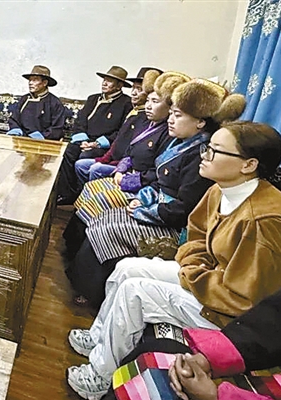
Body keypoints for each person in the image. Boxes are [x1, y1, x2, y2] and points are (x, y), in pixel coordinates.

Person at [65, 120, 281, 400]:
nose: (204, 155)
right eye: (207, 147)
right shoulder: (221, 189)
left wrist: (193, 274)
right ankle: (99, 337)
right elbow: (196, 236)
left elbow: (248, 298)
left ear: (248, 165)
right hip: (208, 279)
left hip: (231, 311)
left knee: (135, 292)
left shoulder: (268, 221)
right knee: (127, 268)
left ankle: (100, 376)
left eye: (214, 151)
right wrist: (194, 268)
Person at [96, 273, 281, 400]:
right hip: (205, 279)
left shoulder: (268, 225)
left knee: (133, 287)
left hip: (219, 297)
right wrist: (209, 358)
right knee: (159, 362)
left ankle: (98, 375)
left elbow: (242, 293)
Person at [62, 71, 187, 262]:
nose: (148, 105)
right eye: (148, 100)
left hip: (145, 190)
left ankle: (80, 255)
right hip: (133, 177)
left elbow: (158, 176)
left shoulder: (172, 136)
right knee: (89, 188)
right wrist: (121, 169)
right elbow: (129, 151)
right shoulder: (147, 123)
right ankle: (72, 245)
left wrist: (130, 183)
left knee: (101, 201)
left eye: (155, 101)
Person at [74, 67, 164, 190]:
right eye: (133, 88)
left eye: (139, 89)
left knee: (95, 168)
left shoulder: (144, 116)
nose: (134, 93)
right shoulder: (134, 111)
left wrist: (118, 165)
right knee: (78, 161)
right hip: (115, 158)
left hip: (128, 168)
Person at [56, 66, 134, 204]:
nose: (104, 83)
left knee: (85, 156)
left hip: (104, 145)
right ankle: (67, 193)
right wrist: (83, 140)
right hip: (84, 140)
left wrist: (97, 143)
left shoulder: (126, 103)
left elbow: (122, 132)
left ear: (119, 85)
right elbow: (80, 121)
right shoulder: (93, 99)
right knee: (68, 152)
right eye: (104, 80)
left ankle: (83, 195)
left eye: (110, 81)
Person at [6, 65, 67, 140]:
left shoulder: (55, 103)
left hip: (43, 142)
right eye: (30, 80)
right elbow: (14, 119)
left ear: (45, 83)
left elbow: (57, 128)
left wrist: (42, 136)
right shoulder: (24, 99)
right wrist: (16, 130)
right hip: (21, 139)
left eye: (35, 80)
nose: (30, 83)